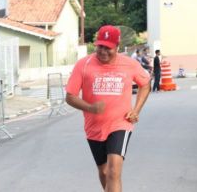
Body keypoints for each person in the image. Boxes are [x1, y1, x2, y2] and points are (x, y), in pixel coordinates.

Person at [65, 25, 151, 192]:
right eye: (100, 46)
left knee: (113, 172)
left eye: (108, 48)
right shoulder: (83, 65)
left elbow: (145, 84)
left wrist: (136, 110)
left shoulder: (129, 64)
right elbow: (70, 97)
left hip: (121, 124)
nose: (103, 51)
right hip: (94, 128)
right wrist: (90, 107)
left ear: (117, 47)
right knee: (104, 172)